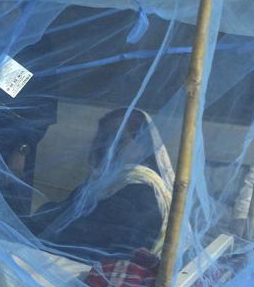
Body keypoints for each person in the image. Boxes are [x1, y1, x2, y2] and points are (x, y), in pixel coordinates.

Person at [26, 107, 174, 262]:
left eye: (118, 141)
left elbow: (114, 247)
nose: (107, 147)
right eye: (103, 139)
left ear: (142, 146)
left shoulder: (140, 192)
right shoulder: (108, 182)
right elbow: (66, 213)